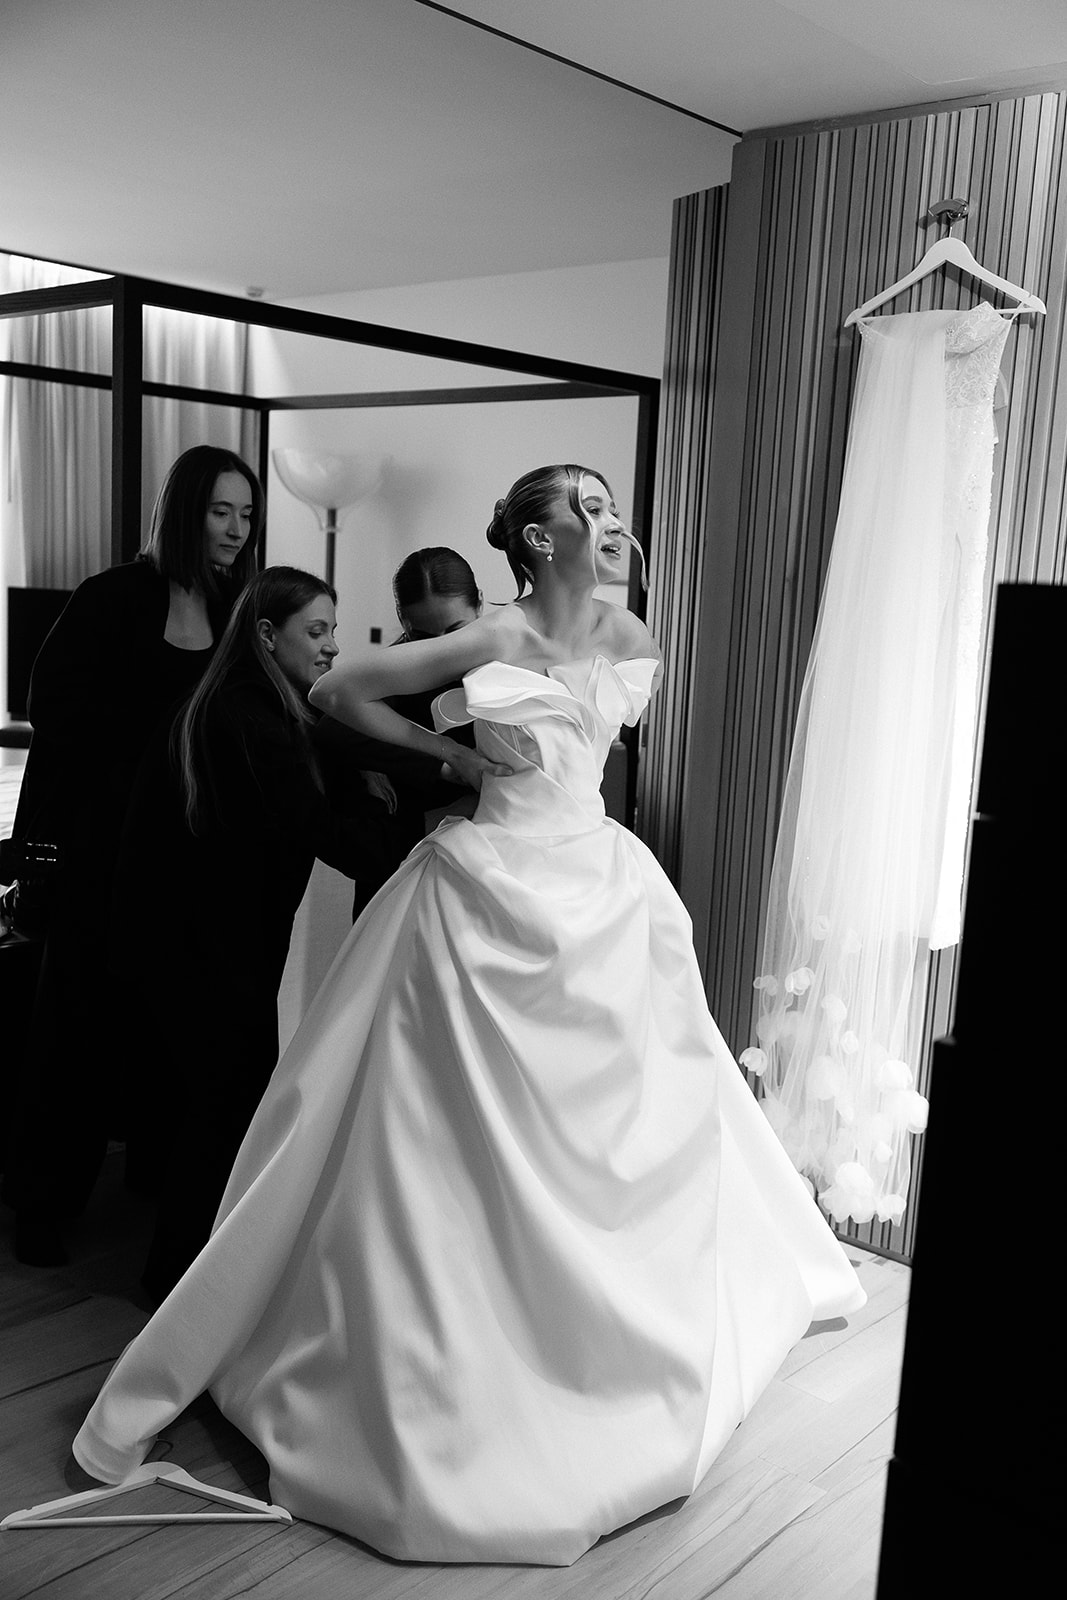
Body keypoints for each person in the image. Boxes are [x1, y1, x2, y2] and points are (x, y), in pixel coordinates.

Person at [72, 463, 866, 1566]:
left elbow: (593, 745)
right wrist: (447, 750)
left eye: (611, 508)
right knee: (431, 1139)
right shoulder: (491, 636)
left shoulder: (630, 632)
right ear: (537, 540)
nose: (612, 523)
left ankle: (612, 1342)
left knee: (628, 1115)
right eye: (588, 510)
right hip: (486, 880)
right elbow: (338, 690)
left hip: (595, 884)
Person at [1, 444, 263, 1267]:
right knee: (74, 1025)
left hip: (189, 853)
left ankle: (154, 1177)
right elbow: (53, 707)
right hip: (101, 850)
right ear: (185, 511)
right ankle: (42, 1205)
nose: (236, 529)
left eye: (246, 514)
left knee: (169, 1025)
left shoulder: (234, 606)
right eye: (220, 511)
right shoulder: (112, 596)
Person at [114, 566, 389, 1300]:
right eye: (317, 631)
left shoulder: (238, 703)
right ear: (268, 635)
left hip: (191, 941)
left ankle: (186, 1280)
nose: (332, 647)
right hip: (210, 949)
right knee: (224, 1112)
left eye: (333, 630)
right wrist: (389, 816)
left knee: (214, 1109)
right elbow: (325, 832)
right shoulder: (252, 722)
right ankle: (179, 1291)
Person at [313, 546, 481, 916]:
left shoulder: (507, 657)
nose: (443, 650)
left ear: (480, 606)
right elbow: (332, 728)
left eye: (455, 631)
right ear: (403, 622)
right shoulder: (394, 669)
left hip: (486, 858)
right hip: (410, 858)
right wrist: (442, 763)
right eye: (423, 637)